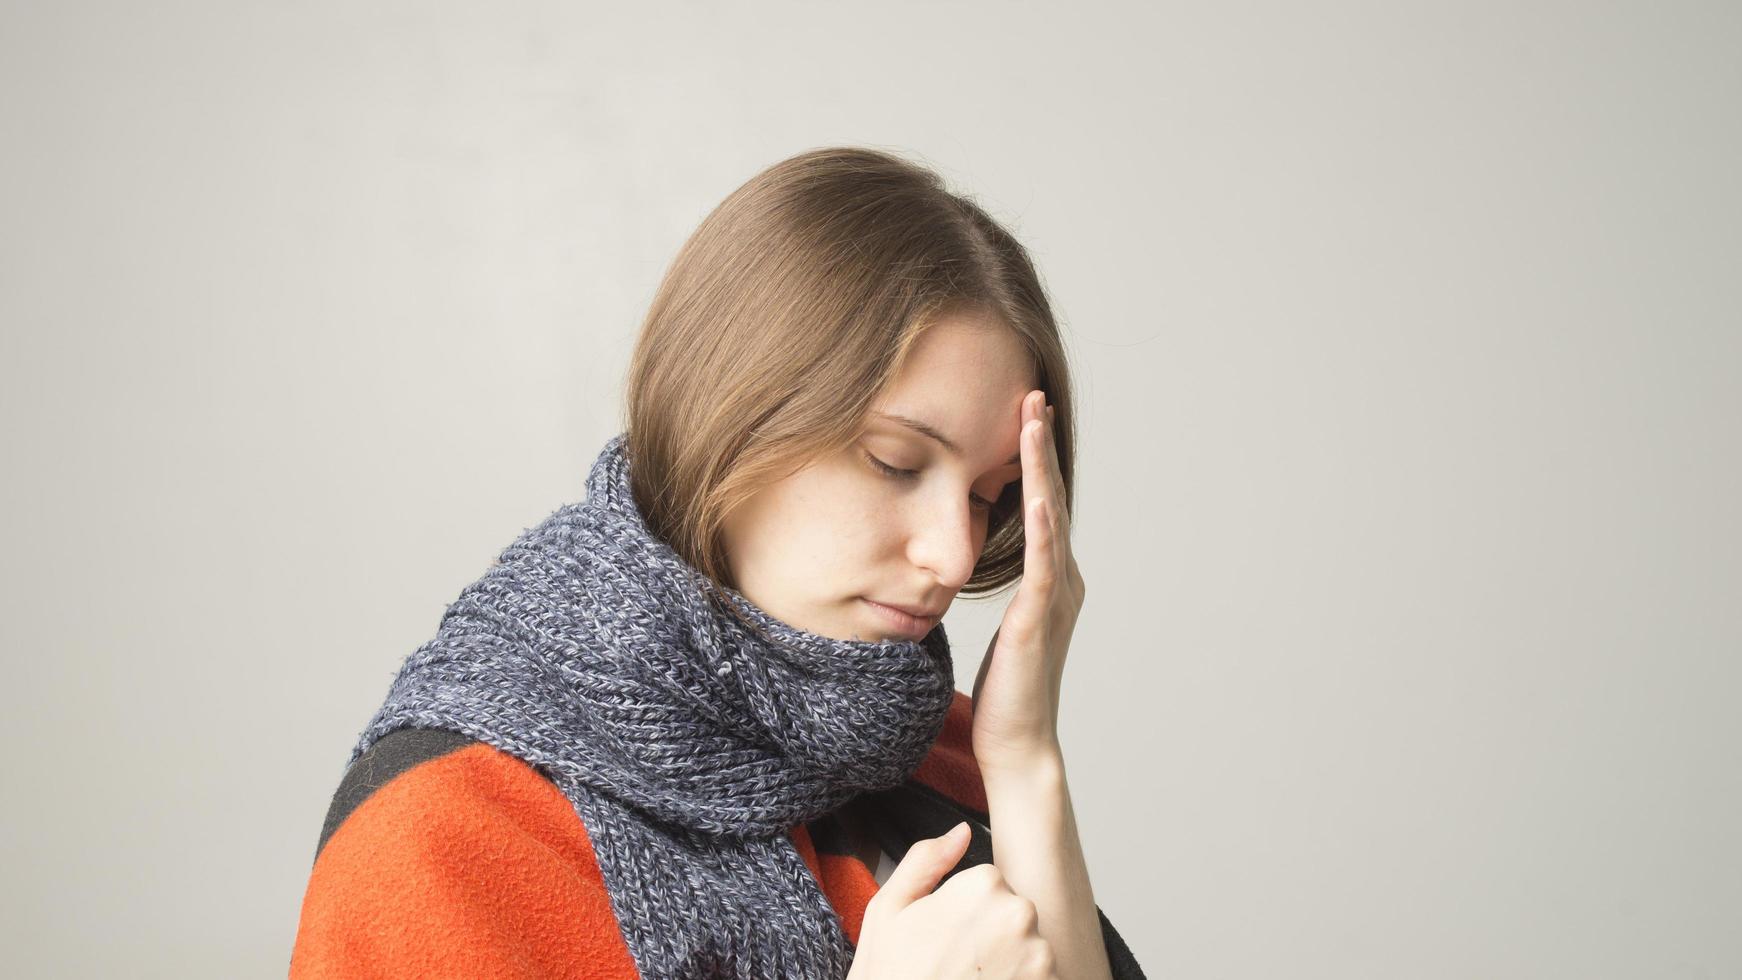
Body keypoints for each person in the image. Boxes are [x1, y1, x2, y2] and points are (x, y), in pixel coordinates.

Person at [289, 146, 1145, 979]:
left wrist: (1027, 757)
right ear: (734, 418)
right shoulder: (442, 829)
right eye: (895, 462)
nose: (954, 557)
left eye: (987, 496)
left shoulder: (946, 755)